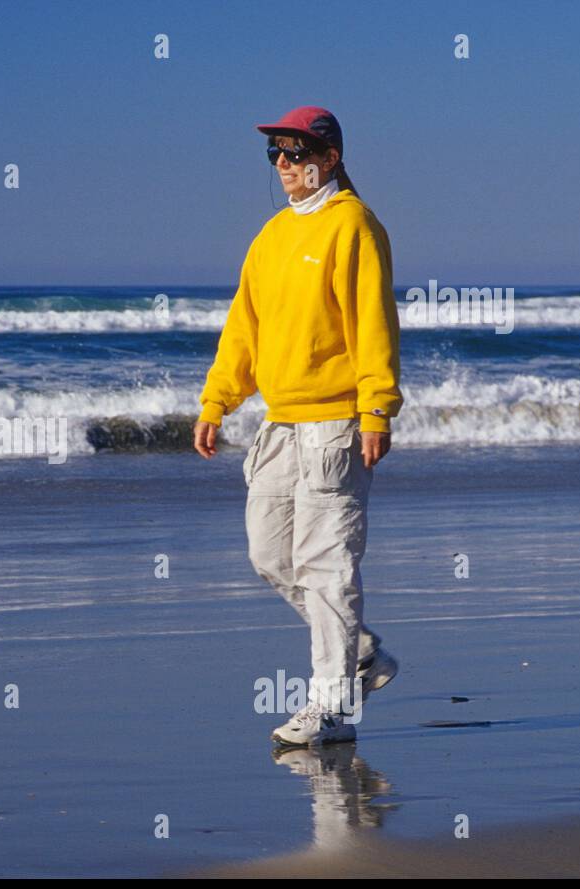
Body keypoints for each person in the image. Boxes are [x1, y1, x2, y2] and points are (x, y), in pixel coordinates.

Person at [193, 105, 403, 747]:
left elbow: (374, 322)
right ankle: (361, 653)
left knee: (327, 565)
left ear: (329, 159)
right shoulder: (271, 236)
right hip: (279, 426)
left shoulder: (355, 227)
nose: (283, 164)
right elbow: (243, 329)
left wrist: (376, 408)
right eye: (275, 154)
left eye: (295, 152)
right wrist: (216, 400)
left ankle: (333, 708)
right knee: (269, 556)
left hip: (337, 425)